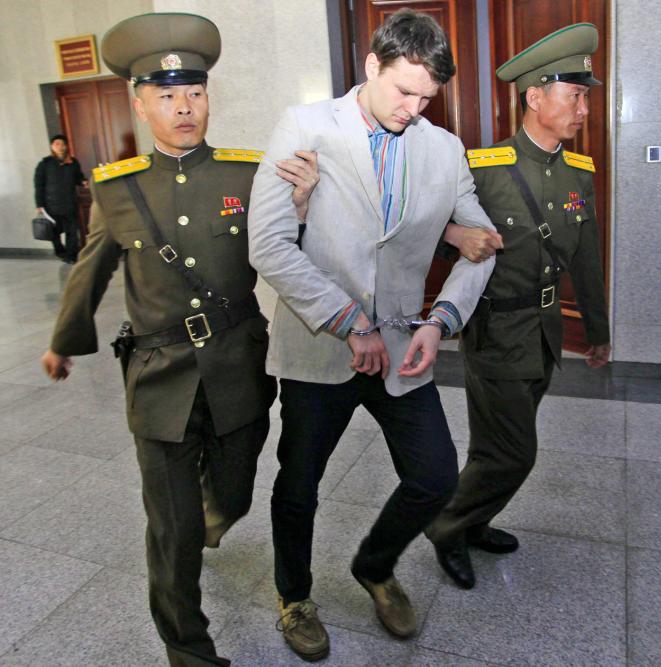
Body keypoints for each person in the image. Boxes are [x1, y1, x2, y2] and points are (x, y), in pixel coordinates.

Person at [36, 13, 313, 666]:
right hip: (160, 377)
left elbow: (283, 253)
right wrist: (62, 340)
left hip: (237, 366)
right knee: (174, 530)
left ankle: (211, 517)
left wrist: (300, 209)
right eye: (166, 95)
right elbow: (92, 268)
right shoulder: (118, 185)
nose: (183, 107)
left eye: (193, 93)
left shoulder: (250, 174)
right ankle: (187, 649)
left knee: (235, 493)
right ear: (139, 102)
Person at [247, 8, 495, 658]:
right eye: (402, 91)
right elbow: (269, 245)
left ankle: (375, 564)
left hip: (403, 344)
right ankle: (294, 595)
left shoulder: (442, 149)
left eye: (426, 97)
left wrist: (442, 318)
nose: (413, 108)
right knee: (298, 483)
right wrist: (348, 320)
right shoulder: (304, 128)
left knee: (436, 474)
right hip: (320, 344)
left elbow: (483, 242)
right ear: (372, 66)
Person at [426, 23, 612, 589]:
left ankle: (475, 521)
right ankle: (446, 527)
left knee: (495, 445)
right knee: (515, 453)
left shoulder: (578, 172)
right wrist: (455, 236)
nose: (584, 107)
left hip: (546, 331)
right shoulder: (482, 168)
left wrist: (597, 331)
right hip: (497, 330)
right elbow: (426, 232)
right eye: (574, 95)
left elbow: (586, 259)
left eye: (586, 96)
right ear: (536, 96)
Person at [34, 133, 87, 262]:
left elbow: (78, 177)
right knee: (54, 232)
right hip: (51, 204)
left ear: (66, 146)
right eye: (57, 144)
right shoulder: (45, 164)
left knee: (72, 231)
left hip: (69, 203)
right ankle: (60, 251)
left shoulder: (73, 162)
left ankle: (71, 256)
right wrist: (39, 204)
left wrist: (83, 182)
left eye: (63, 144)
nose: (61, 147)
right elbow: (38, 185)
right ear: (52, 147)